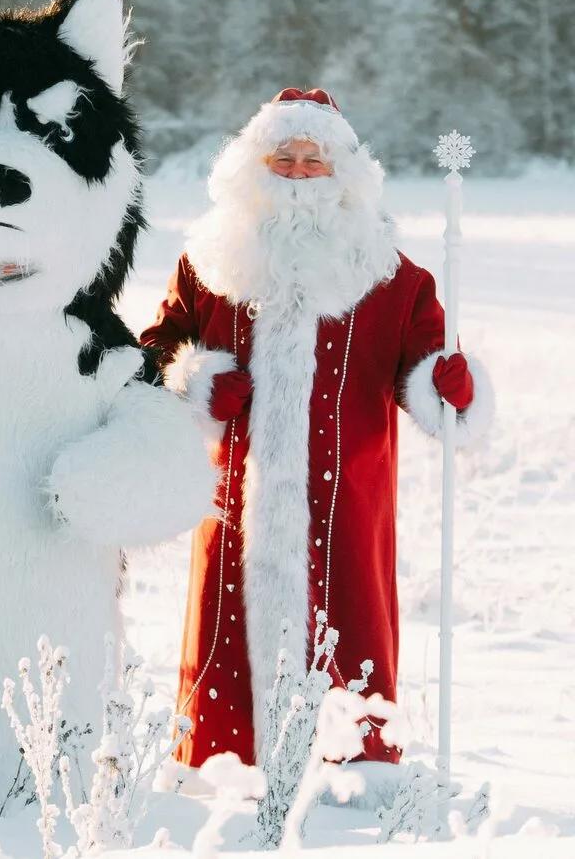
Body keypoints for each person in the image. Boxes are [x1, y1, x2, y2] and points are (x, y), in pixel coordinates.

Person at [140, 88, 494, 780]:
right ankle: (225, 770)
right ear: (253, 166)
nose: (300, 169)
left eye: (315, 158)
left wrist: (451, 383)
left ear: (345, 174)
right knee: (227, 642)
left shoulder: (394, 278)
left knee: (349, 636)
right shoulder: (210, 266)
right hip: (234, 510)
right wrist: (196, 378)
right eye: (285, 156)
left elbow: (431, 372)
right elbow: (155, 351)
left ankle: (353, 778)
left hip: (348, 507)